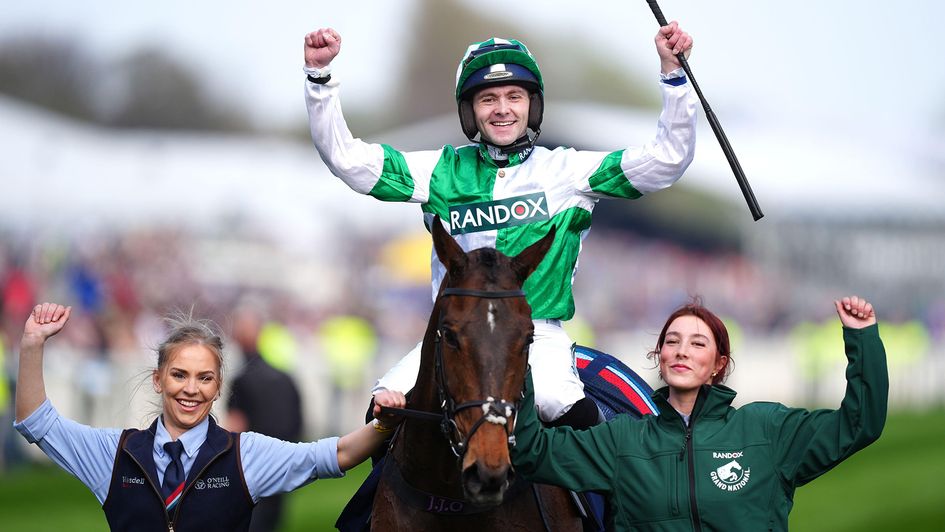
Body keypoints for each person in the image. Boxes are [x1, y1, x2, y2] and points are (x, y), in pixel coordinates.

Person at [303, 23, 696, 429]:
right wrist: (320, 80)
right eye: (488, 99)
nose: (502, 109)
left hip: (536, 336)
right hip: (453, 337)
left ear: (532, 105)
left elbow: (667, 160)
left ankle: (609, 486)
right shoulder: (440, 170)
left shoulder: (569, 171)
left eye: (514, 96)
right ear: (469, 111)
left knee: (558, 402)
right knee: (381, 410)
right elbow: (347, 160)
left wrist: (674, 76)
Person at [14, 303, 405, 532]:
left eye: (205, 378)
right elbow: (37, 422)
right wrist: (32, 343)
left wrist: (385, 421)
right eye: (179, 375)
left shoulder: (244, 454)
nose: (191, 389)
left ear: (218, 387)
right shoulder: (114, 453)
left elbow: (334, 455)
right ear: (158, 379)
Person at [509, 295, 888, 531]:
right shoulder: (620, 439)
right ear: (660, 357)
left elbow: (859, 424)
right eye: (671, 342)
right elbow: (530, 451)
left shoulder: (767, 429)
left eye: (697, 342)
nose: (682, 350)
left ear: (718, 363)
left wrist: (862, 338)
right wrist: (520, 359)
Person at [226, 304, 303, 532]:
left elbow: (235, 425)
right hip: (283, 459)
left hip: (253, 463)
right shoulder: (285, 377)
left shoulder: (242, 380)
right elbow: (298, 420)